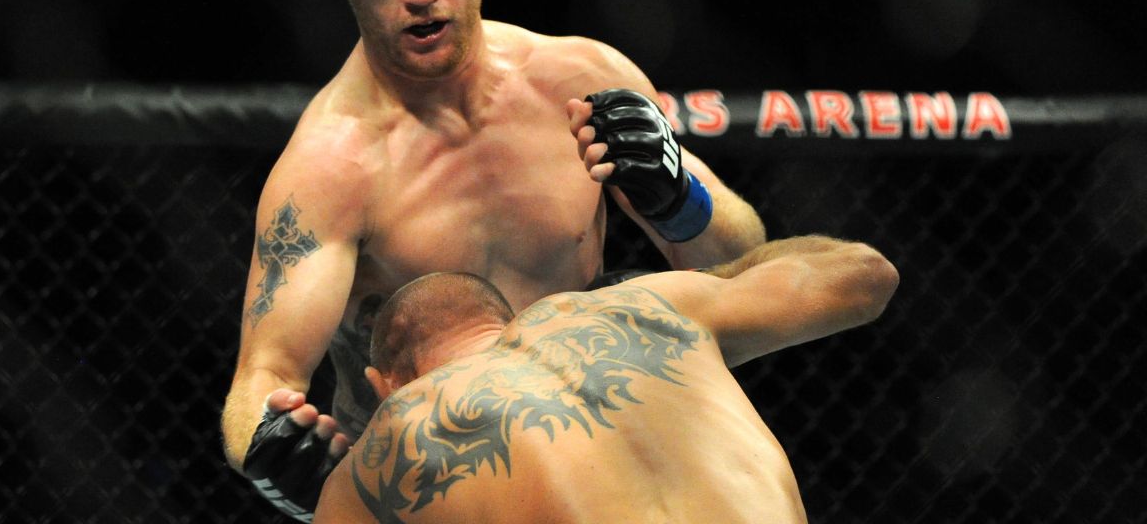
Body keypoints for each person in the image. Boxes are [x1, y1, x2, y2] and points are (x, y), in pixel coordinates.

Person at [220, 0, 766, 519]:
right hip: (433, 494)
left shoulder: (584, 79)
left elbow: (747, 263)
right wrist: (274, 451)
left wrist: (676, 198)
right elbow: (259, 380)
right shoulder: (333, 166)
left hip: (603, 462)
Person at [312, 236, 899, 523]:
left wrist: (318, 499)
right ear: (508, 320)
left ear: (383, 381)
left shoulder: (395, 431)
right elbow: (867, 275)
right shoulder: (643, 308)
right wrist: (710, 278)